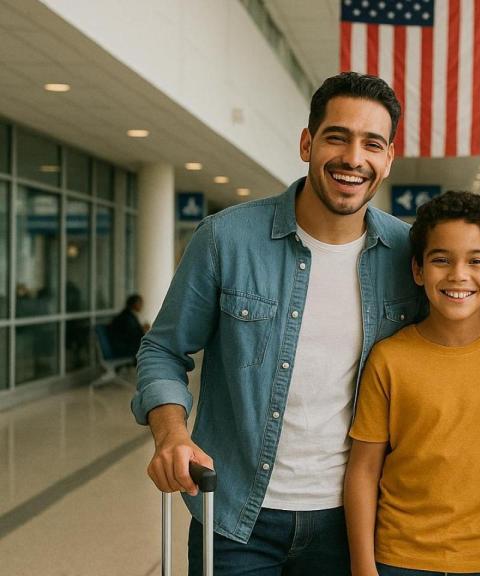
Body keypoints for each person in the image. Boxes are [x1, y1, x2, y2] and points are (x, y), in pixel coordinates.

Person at [130, 72, 425, 576]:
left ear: (388, 158)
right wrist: (171, 434)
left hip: (353, 519)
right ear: (307, 142)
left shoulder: (407, 254)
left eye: (371, 144)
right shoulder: (227, 239)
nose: (354, 158)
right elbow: (163, 350)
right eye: (337, 137)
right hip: (236, 516)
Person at [345, 191, 480, 576]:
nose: (458, 275)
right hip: (398, 556)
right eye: (441, 260)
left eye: (476, 261)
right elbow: (363, 471)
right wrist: (362, 565)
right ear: (418, 270)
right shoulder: (390, 358)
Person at [108, 293, 147, 359]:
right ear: (134, 304)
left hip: (122, 346)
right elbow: (132, 335)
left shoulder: (128, 314)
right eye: (140, 303)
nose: (142, 305)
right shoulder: (127, 317)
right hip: (122, 348)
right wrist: (143, 330)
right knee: (149, 348)